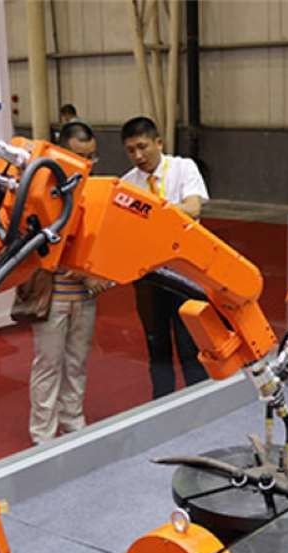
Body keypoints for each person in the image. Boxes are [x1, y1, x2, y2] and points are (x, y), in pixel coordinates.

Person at [21, 119, 111, 444]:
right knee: (48, 365)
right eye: (79, 156)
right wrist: (81, 271)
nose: (87, 164)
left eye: (91, 157)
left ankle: (74, 424)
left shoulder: (95, 192)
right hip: (53, 297)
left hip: (85, 298)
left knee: (76, 364)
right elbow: (32, 246)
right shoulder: (40, 191)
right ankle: (43, 435)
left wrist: (101, 276)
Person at [120, 116, 209, 398]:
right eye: (131, 150)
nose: (138, 156)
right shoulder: (127, 184)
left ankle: (199, 405)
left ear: (158, 143)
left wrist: (149, 214)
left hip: (185, 272)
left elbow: (192, 209)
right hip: (149, 276)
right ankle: (161, 403)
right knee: (156, 344)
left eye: (142, 147)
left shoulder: (183, 168)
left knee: (189, 344)